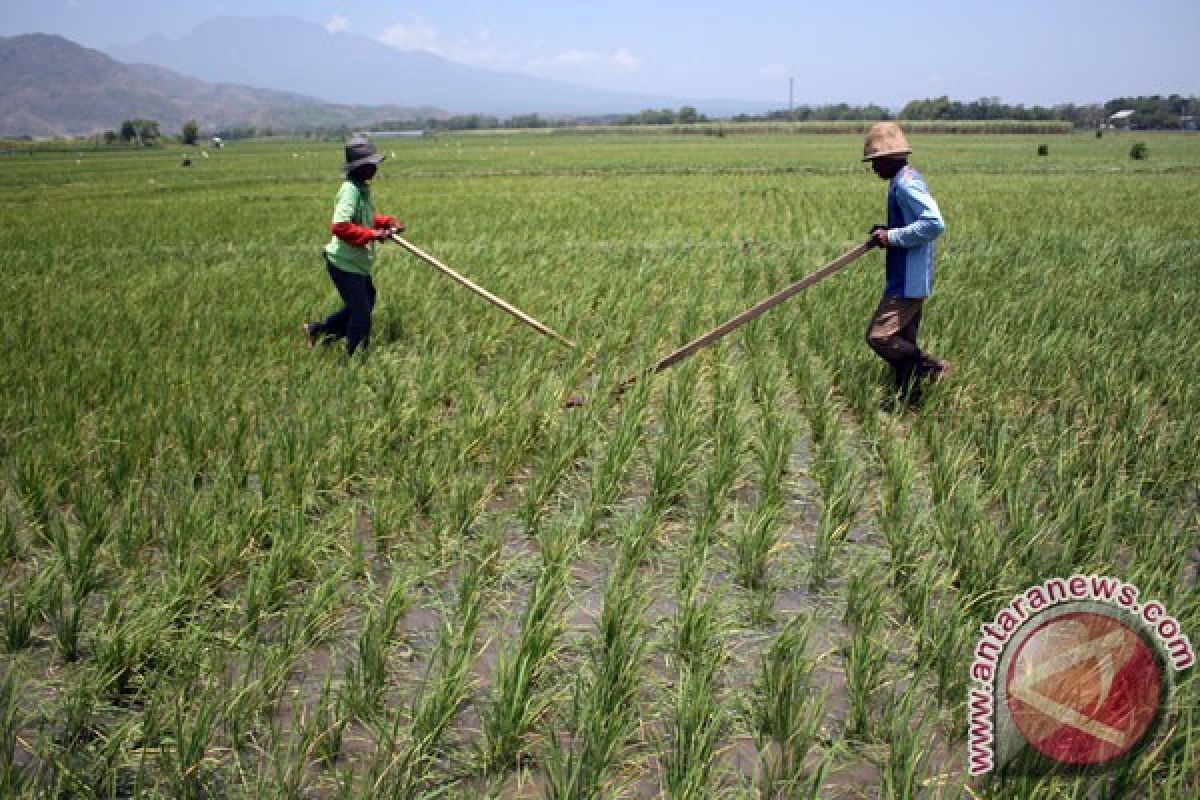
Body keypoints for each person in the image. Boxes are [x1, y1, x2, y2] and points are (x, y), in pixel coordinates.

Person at [862, 122, 949, 406]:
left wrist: (892, 236)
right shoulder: (904, 179)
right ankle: (911, 402)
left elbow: (933, 223)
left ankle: (932, 367)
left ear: (889, 159)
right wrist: (887, 230)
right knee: (903, 341)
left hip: (906, 281)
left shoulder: (906, 185)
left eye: (876, 163)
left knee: (880, 337)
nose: (873, 169)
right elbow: (911, 224)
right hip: (907, 276)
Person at [303, 134, 404, 356]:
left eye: (375, 164)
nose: (374, 169)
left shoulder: (361, 189)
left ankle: (317, 332)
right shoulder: (349, 190)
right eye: (370, 165)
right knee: (361, 317)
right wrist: (373, 235)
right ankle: (355, 360)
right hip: (344, 263)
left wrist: (387, 222)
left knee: (364, 303)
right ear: (357, 168)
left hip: (357, 263)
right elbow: (340, 226)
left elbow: (365, 217)